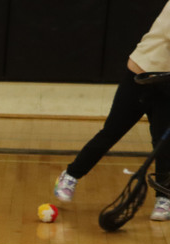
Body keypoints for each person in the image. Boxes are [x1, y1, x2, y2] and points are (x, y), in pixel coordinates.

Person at [54, 1, 170, 221]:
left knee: (163, 146)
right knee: (111, 132)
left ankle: (164, 198)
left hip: (168, 86)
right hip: (141, 79)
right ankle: (70, 175)